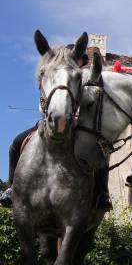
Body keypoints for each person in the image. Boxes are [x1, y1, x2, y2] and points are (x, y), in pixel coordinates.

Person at [0, 50, 112, 210]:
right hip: (52, 120)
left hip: (81, 124)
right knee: (16, 142)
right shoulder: (57, 73)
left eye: (81, 60)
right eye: (79, 60)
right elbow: (44, 100)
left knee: (101, 152)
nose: (80, 62)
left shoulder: (86, 77)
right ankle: (11, 188)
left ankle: (103, 193)